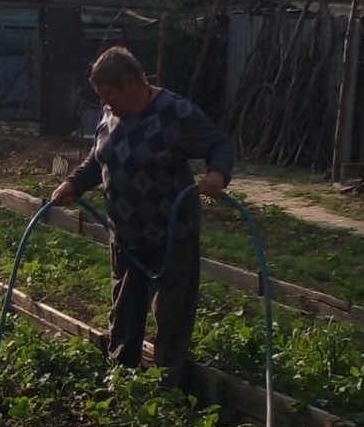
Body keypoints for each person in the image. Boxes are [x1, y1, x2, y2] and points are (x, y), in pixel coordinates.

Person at [50, 46, 236, 390]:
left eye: (109, 95)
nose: (105, 103)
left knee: (171, 317)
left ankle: (168, 390)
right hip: (125, 237)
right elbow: (98, 160)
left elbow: (220, 145)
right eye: (101, 97)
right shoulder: (109, 115)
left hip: (170, 238)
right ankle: (121, 382)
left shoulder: (174, 113)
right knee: (124, 316)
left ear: (132, 82)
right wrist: (72, 183)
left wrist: (217, 174)